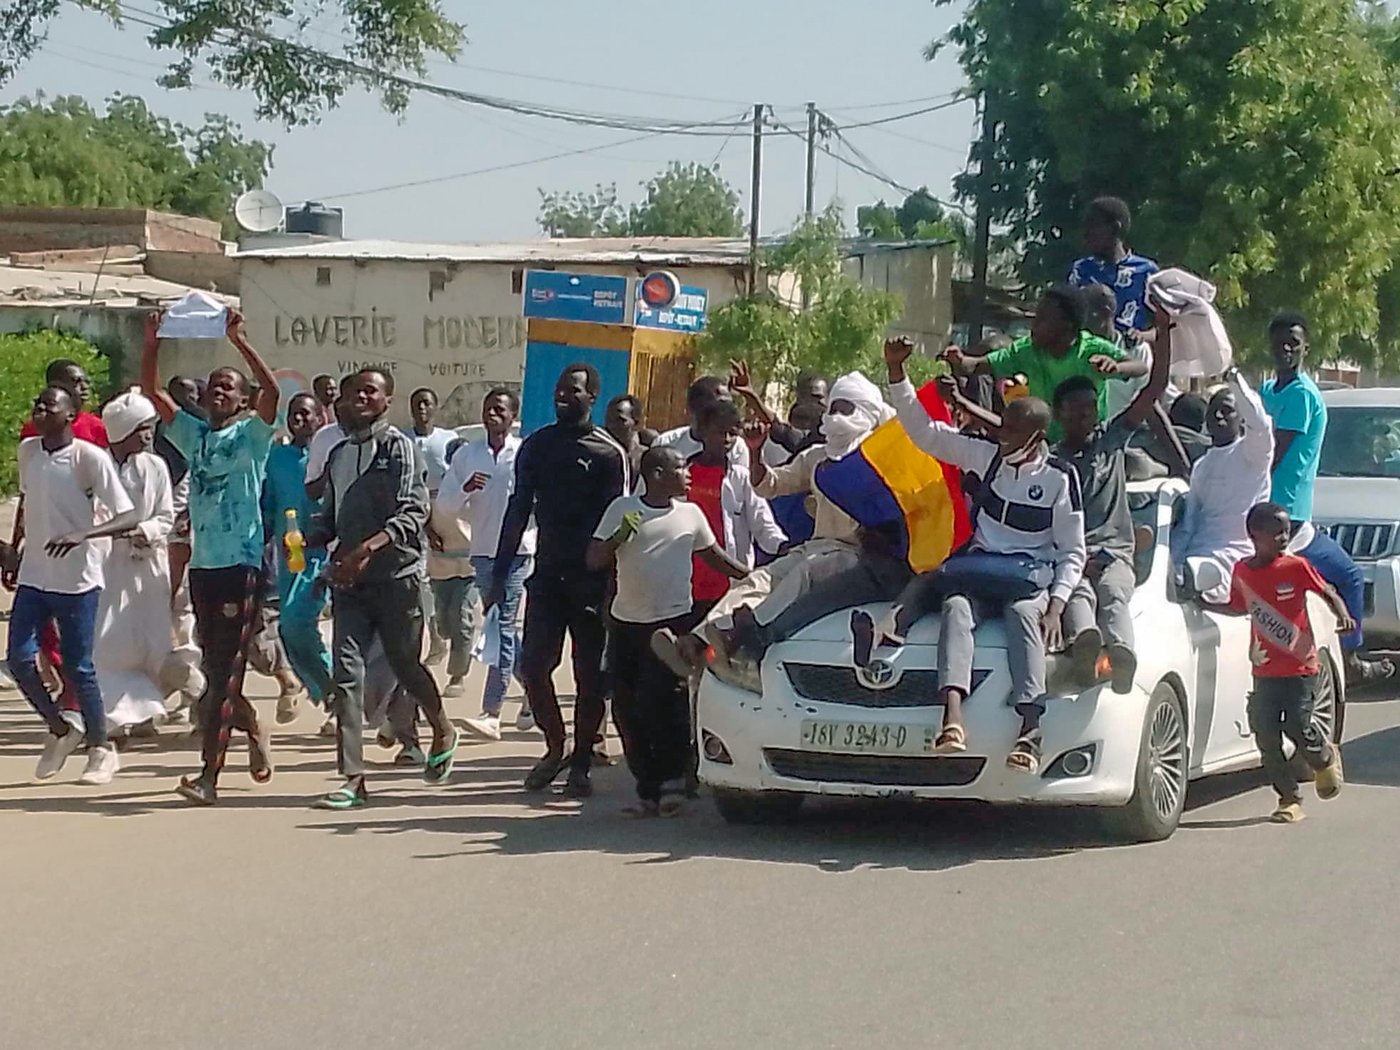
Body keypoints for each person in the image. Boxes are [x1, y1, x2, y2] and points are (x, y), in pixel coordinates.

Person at [875, 338, 1085, 773]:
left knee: (1026, 617)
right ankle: (952, 718)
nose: (999, 434)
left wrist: (1057, 606)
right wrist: (898, 374)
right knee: (955, 607)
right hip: (980, 568)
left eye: (1010, 430)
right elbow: (924, 433)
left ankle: (1030, 729)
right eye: (1001, 426)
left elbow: (1072, 551)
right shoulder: (985, 456)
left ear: (1034, 438)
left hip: (1029, 578)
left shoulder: (1060, 479)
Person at [144, 310, 281, 806]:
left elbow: (272, 393)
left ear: (242, 400)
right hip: (204, 568)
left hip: (242, 566)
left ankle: (208, 776)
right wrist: (152, 342)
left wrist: (239, 341)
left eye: (229, 388)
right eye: (213, 388)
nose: (219, 393)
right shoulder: (195, 436)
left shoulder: (252, 437)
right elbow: (153, 395)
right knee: (217, 670)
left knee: (223, 677)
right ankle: (253, 731)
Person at [309, 368, 459, 809]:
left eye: (369, 392)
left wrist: (368, 549)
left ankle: (441, 726)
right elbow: (331, 516)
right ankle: (353, 779)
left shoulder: (400, 449)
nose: (359, 399)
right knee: (347, 676)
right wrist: (307, 535)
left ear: (386, 401)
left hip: (398, 581)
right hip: (351, 586)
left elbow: (415, 511)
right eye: (353, 392)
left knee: (406, 666)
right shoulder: (337, 455)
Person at [486, 363, 628, 797]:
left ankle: (582, 760)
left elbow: (619, 524)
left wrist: (613, 586)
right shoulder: (537, 446)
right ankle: (553, 747)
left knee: (589, 676)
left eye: (575, 390)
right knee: (533, 666)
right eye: (560, 389)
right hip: (546, 575)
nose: (563, 395)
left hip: (591, 579)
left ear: (593, 397)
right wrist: (499, 570)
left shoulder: (608, 454)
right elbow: (518, 509)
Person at [587, 447, 749, 817]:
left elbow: (713, 556)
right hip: (628, 626)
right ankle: (647, 790)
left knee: (665, 704)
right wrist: (619, 537)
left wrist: (752, 577)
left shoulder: (690, 514)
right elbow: (594, 559)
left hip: (674, 624)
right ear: (657, 473)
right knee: (628, 709)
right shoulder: (623, 509)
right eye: (680, 467)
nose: (688, 473)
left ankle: (675, 782)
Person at [5, 387, 138, 785]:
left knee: (80, 667)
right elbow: (28, 505)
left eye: (51, 405)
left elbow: (127, 515)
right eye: (38, 404)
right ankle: (62, 729)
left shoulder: (88, 458)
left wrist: (85, 533)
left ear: (71, 415)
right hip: (35, 575)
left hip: (78, 580)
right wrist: (13, 550)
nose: (41, 409)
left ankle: (102, 748)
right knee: (19, 660)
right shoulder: (28, 452)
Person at [1258, 312, 1392, 685]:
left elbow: (1261, 450)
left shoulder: (1282, 393)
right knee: (1348, 576)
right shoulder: (1290, 393)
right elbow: (1274, 453)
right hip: (1291, 518)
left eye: (1294, 343)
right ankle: (1352, 661)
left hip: (1265, 508)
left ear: (1305, 348)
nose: (1286, 349)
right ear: (1270, 345)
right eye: (1281, 342)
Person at [1048, 303, 1174, 692]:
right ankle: (1086, 644)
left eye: (1090, 408)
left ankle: (1122, 656)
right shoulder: (1050, 463)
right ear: (1060, 415)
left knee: (1114, 594)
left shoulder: (1111, 440)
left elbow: (1153, 386)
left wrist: (1163, 331)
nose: (1085, 416)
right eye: (1076, 411)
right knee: (1077, 596)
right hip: (1073, 560)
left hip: (1116, 554)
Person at [1200, 502, 1348, 824]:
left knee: (1297, 725)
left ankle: (1323, 757)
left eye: (1286, 532)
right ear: (1255, 536)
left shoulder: (1296, 566)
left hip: (1300, 666)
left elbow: (1328, 590)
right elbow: (1239, 607)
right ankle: (1289, 799)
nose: (1283, 538)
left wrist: (1343, 614)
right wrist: (1203, 602)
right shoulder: (1242, 571)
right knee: (1266, 736)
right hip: (1265, 669)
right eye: (1276, 532)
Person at [652, 397, 786, 672]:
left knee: (715, 660)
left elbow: (763, 523)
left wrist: (784, 548)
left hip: (727, 585)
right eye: (719, 431)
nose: (726, 439)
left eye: (732, 433)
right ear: (701, 431)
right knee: (679, 666)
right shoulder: (681, 474)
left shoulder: (741, 478)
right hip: (684, 584)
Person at [438, 387, 536, 740]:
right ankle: (534, 686)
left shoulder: (524, 453)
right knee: (500, 624)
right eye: (488, 409)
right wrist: (465, 488)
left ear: (512, 417)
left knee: (502, 625)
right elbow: (446, 506)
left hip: (519, 552)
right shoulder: (468, 455)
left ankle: (492, 711)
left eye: (500, 410)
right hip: (482, 551)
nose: (492, 416)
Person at [94, 391, 190, 737]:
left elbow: (166, 515)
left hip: (149, 565)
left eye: (151, 428)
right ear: (122, 432)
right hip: (108, 566)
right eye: (142, 429)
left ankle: (146, 712)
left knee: (152, 641)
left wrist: (145, 531)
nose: (149, 436)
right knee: (109, 642)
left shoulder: (156, 466)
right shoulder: (96, 465)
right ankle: (115, 718)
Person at [947, 286, 1146, 442]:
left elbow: (1140, 367)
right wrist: (961, 360)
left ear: (1067, 324)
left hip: (1090, 442)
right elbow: (978, 365)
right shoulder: (1026, 350)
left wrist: (1117, 366)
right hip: (1044, 443)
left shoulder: (1091, 349)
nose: (1034, 325)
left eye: (1043, 319)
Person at [1171, 369, 1273, 604]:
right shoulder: (1202, 465)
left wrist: (1235, 380)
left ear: (1241, 418)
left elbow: (1260, 425)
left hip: (1233, 561)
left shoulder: (1252, 455)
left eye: (1227, 410)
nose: (1219, 416)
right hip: (1192, 561)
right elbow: (1189, 525)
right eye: (1213, 411)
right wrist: (1171, 561)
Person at [262, 392, 333, 723]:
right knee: (290, 631)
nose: (301, 420)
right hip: (288, 558)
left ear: (321, 419)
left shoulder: (332, 455)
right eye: (295, 414)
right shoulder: (276, 459)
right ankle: (330, 694)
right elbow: (267, 507)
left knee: (297, 622)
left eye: (308, 414)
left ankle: (336, 692)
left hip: (323, 555)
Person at [1068, 196, 1160, 340]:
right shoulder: (1080, 270)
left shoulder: (1147, 272)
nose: (1086, 233)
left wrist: (1142, 336)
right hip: (1087, 353)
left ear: (1115, 228)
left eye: (1093, 225)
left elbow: (1165, 328)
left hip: (1132, 355)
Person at [653, 375, 747, 467]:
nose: (727, 410)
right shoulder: (665, 443)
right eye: (721, 404)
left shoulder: (736, 446)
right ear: (694, 408)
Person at [605, 393, 645, 479]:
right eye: (609, 419)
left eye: (620, 420)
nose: (611, 425)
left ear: (636, 423)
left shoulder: (644, 459)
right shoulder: (597, 455)